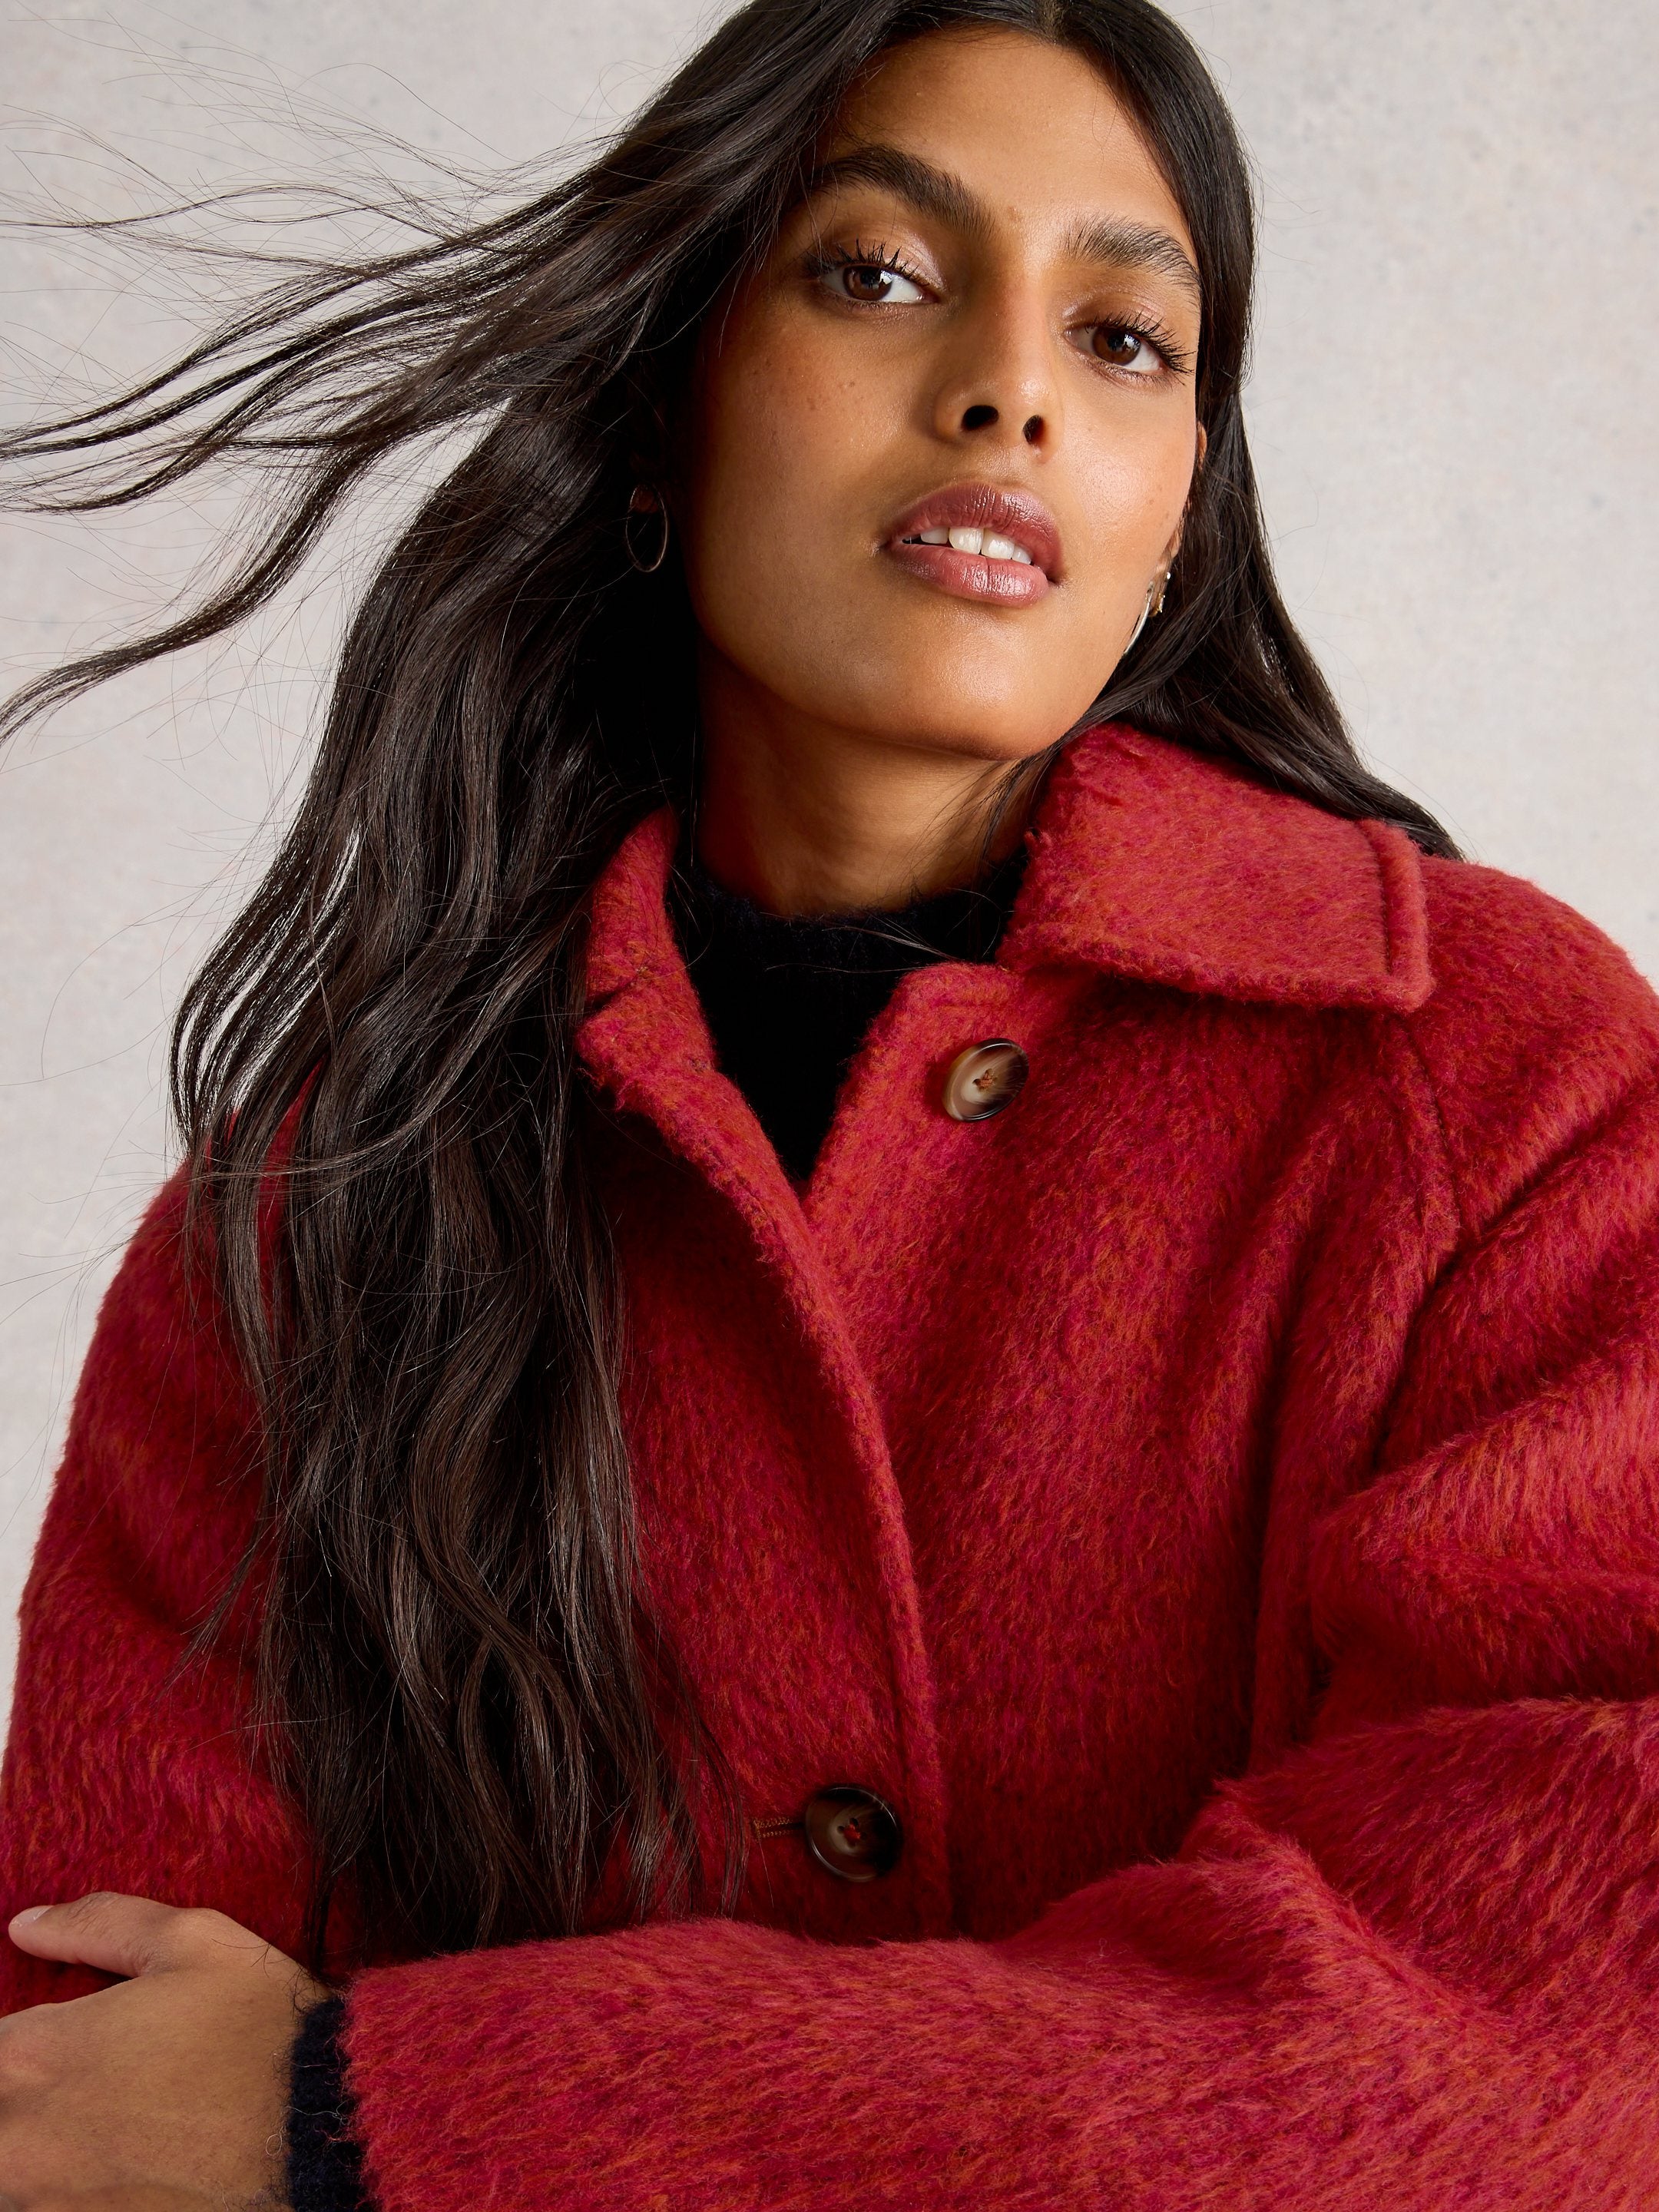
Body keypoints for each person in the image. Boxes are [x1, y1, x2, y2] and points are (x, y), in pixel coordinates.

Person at [1, 0, 1655, 2203]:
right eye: (876, 272)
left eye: (1128, 338)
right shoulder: (317, 1205)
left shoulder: (1495, 1080)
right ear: (664, 413)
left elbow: (1549, 2029)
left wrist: (375, 2115)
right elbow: (85, 2105)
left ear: (1180, 515)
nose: (1009, 386)